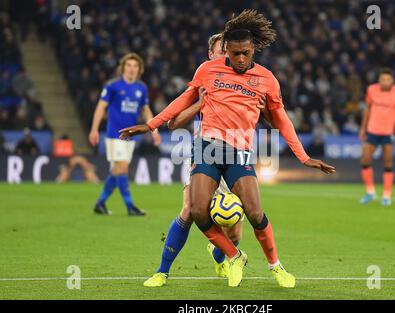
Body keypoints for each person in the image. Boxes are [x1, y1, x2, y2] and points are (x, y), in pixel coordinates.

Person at [120, 10, 335, 288]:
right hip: (207, 147)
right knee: (196, 210)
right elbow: (182, 100)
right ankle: (229, 258)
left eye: (245, 53)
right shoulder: (207, 70)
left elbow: (280, 119)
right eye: (234, 54)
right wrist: (150, 125)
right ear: (226, 52)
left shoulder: (267, 79)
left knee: (254, 214)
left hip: (239, 151)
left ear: (253, 49)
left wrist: (303, 157)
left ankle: (276, 266)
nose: (240, 59)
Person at [143, 33, 268, 287]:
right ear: (211, 55)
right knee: (189, 210)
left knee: (234, 226)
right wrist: (200, 103)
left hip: (236, 156)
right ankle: (162, 271)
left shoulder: (250, 81)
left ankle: (221, 255)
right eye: (222, 50)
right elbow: (173, 123)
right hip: (206, 155)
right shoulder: (205, 79)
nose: (228, 54)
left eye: (230, 50)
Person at [89, 53, 161, 216]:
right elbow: (101, 107)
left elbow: (145, 110)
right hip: (115, 134)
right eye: (128, 65)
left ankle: (100, 203)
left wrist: (153, 129)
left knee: (117, 171)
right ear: (123, 68)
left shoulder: (141, 88)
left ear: (139, 69)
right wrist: (94, 129)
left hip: (131, 136)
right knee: (122, 168)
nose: (131, 69)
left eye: (135, 66)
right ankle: (130, 206)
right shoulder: (113, 85)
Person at [359, 68, 395, 206]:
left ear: (392, 81)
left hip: (388, 133)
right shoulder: (372, 90)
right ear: (379, 80)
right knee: (365, 160)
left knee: (388, 162)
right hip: (372, 131)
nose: (385, 82)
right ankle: (370, 192)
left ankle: (387, 196)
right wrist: (363, 128)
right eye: (382, 79)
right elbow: (367, 109)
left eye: (388, 79)